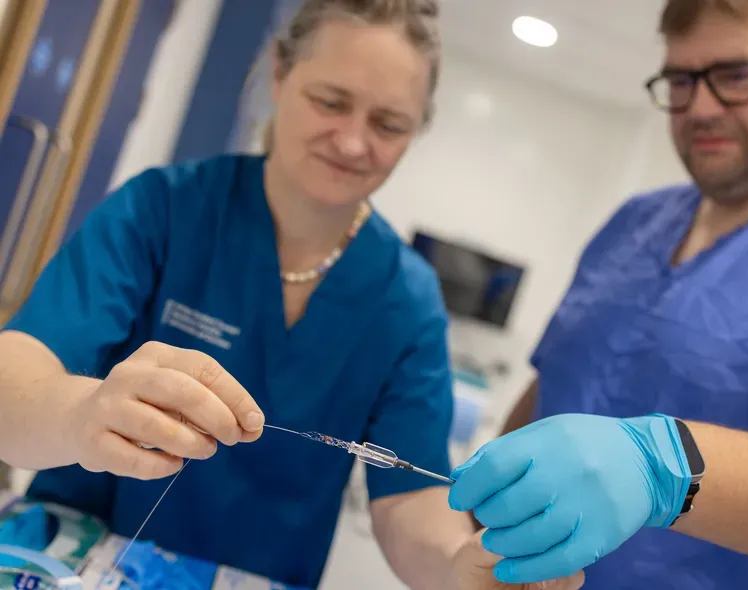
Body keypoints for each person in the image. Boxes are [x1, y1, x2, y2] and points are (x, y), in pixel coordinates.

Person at [0, 1, 591, 589]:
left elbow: (409, 500)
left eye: (388, 124)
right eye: (330, 102)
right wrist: (81, 415)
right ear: (279, 75)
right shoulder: (163, 211)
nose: (354, 143)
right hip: (69, 558)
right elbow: (15, 380)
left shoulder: (405, 303)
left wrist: (460, 566)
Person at [447, 1, 748, 589]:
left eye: (736, 75)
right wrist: (479, 513)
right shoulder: (632, 224)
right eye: (680, 80)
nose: (699, 106)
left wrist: (662, 465)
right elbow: (555, 390)